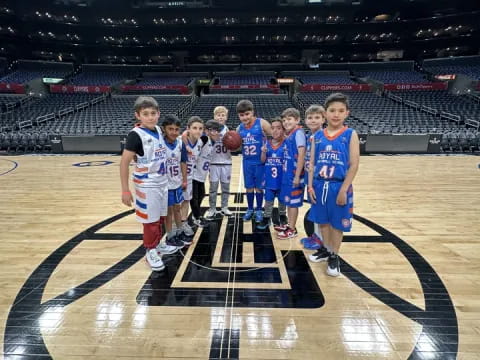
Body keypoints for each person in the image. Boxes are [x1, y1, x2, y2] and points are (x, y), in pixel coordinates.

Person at [120, 96, 176, 271]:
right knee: (150, 222)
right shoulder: (135, 136)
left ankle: (158, 244)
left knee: (159, 218)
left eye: (153, 113)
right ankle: (150, 251)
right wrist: (125, 190)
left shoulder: (159, 130)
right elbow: (124, 163)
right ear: (138, 116)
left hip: (161, 182)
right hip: (146, 184)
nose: (150, 117)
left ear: (158, 114)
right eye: (146, 114)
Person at [307, 93, 360, 277]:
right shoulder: (317, 137)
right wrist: (310, 186)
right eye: (332, 111)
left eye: (340, 111)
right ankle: (327, 250)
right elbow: (312, 164)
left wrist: (344, 189)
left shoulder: (350, 134)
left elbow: (354, 164)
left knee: (337, 225)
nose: (336, 114)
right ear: (326, 113)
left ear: (347, 113)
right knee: (322, 222)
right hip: (320, 185)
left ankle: (334, 256)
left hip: (339, 185)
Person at [236, 99, 272, 222]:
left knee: (259, 188)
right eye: (242, 115)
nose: (245, 117)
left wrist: (267, 148)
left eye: (247, 114)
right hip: (247, 161)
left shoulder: (261, 123)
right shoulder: (239, 128)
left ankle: (258, 209)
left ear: (252, 112)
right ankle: (250, 208)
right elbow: (237, 145)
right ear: (238, 116)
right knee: (249, 187)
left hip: (260, 161)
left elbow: (273, 135)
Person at [276, 108, 306, 240]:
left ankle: (292, 229)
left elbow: (302, 155)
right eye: (284, 120)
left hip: (294, 174)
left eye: (289, 119)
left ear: (297, 120)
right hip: (288, 174)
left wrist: (298, 176)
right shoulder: (291, 134)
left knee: (293, 203)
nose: (286, 122)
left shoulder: (298, 133)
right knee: (289, 202)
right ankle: (289, 224)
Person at [162, 114, 191, 248]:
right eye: (170, 129)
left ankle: (179, 232)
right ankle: (170, 235)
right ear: (164, 129)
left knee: (177, 208)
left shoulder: (180, 143)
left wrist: (184, 179)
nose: (174, 132)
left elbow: (183, 162)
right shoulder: (160, 143)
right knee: (168, 211)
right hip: (164, 183)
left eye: (176, 129)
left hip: (176, 181)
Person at [300, 105, 326, 250]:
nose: (313, 120)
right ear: (305, 120)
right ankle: (316, 236)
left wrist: (314, 169)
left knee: (319, 209)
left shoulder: (322, 137)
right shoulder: (310, 136)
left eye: (317, 117)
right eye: (310, 118)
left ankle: (320, 239)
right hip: (310, 179)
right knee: (314, 208)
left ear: (323, 119)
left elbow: (324, 160)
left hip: (319, 180)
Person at [257, 117, 287, 230]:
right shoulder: (267, 144)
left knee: (282, 201)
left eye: (278, 128)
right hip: (269, 180)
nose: (275, 130)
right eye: (272, 128)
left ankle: (283, 216)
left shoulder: (286, 144)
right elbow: (262, 160)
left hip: (282, 180)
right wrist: (263, 152)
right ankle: (266, 217)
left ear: (283, 130)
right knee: (268, 201)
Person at [191, 120, 222, 227]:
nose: (218, 133)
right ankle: (197, 217)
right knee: (194, 198)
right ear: (208, 131)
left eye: (219, 131)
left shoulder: (213, 143)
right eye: (216, 131)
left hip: (201, 175)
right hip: (193, 174)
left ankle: (195, 215)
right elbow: (193, 149)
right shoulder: (204, 139)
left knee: (201, 194)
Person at [205, 106, 233, 220]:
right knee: (213, 188)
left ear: (226, 117)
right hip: (213, 163)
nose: (220, 117)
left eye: (222, 115)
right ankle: (212, 208)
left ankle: (224, 207)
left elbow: (234, 147)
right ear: (214, 116)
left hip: (226, 162)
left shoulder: (229, 131)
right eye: (218, 115)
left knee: (226, 188)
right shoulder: (210, 131)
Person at [181, 116, 204, 233]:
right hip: (176, 177)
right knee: (175, 205)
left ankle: (183, 224)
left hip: (189, 177)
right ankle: (175, 228)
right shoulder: (181, 141)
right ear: (188, 128)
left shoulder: (200, 142)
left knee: (186, 201)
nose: (198, 131)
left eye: (200, 128)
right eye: (194, 128)